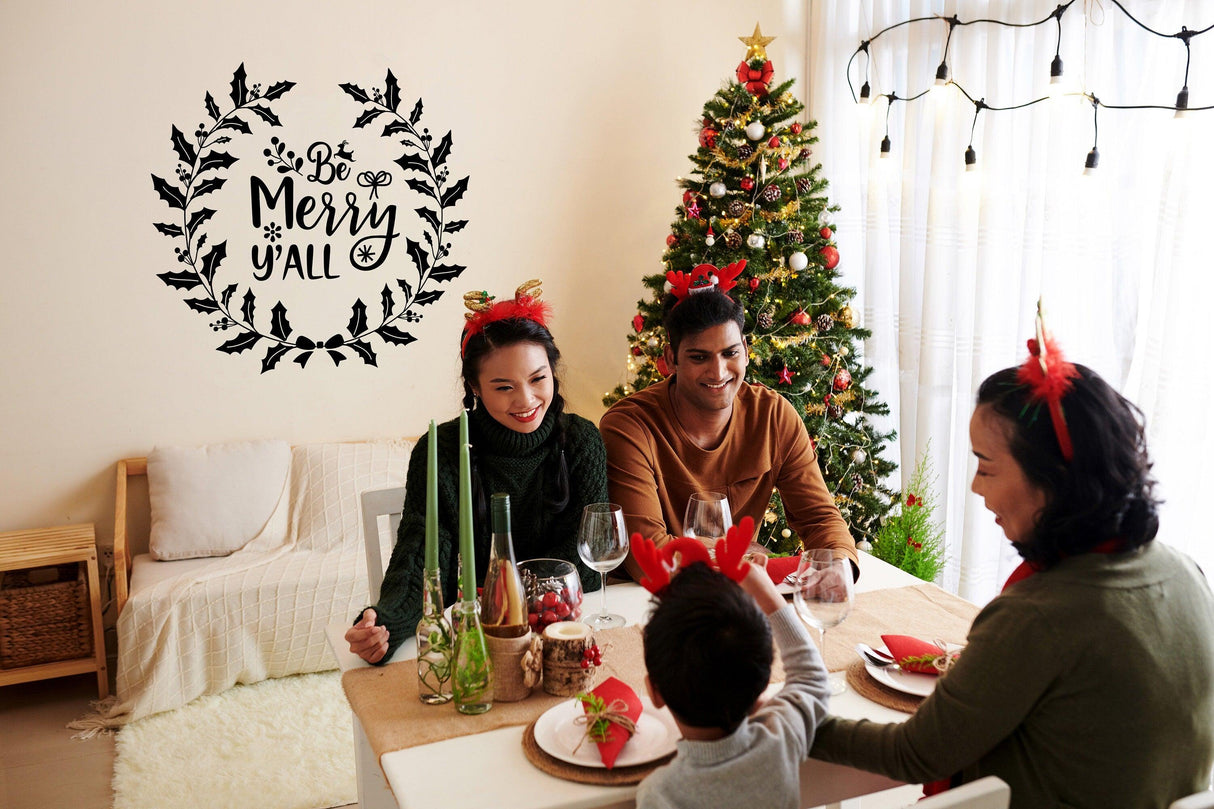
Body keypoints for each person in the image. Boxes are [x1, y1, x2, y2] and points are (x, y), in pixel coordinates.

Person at [809, 326, 1214, 809]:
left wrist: (791, 716)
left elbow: (916, 753)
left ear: (1053, 480)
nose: (977, 488)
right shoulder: (1183, 571)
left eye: (986, 466)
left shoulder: (1041, 616)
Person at [346, 281, 608, 664]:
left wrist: (510, 594)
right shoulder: (443, 450)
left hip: (562, 631)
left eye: (538, 379)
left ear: (553, 371)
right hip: (475, 642)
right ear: (475, 387)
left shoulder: (581, 441)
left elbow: (584, 554)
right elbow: (422, 549)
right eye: (504, 387)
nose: (525, 400)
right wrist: (385, 623)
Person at [600, 267, 857, 580]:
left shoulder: (775, 416)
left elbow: (820, 519)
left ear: (746, 352)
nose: (718, 372)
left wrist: (840, 567)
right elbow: (648, 557)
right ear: (671, 358)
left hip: (740, 593)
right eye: (698, 357)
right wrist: (748, 555)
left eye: (730, 353)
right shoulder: (628, 426)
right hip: (649, 602)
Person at [637, 560, 830, 809]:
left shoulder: (660, 794)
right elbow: (812, 678)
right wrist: (765, 592)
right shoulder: (781, 738)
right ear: (761, 687)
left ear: (654, 692)